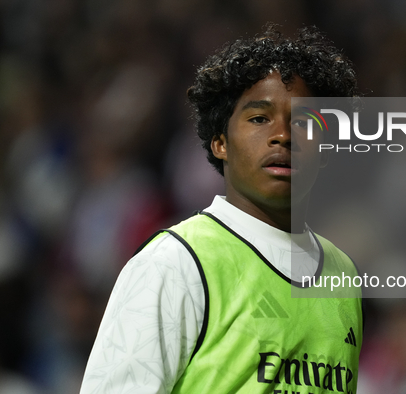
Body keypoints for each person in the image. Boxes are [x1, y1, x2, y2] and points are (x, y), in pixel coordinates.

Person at [80, 24, 363, 394]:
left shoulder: (344, 274)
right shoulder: (174, 261)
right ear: (220, 143)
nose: (283, 134)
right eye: (259, 119)